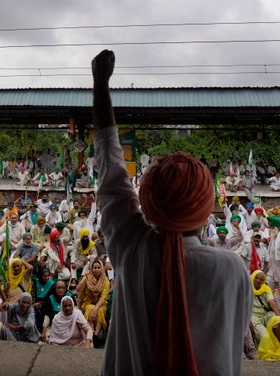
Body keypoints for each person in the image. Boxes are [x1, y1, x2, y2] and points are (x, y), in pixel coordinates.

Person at [92, 50, 250, 374]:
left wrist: (100, 84)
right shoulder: (232, 269)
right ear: (206, 209)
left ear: (148, 203)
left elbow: (110, 171)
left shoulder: (130, 248)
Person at [76, 259, 110, 337]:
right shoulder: (87, 277)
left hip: (101, 304)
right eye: (95, 268)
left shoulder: (106, 281)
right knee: (90, 308)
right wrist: (85, 278)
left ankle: (97, 334)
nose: (97, 270)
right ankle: (90, 332)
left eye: (99, 267)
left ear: (102, 268)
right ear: (91, 269)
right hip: (87, 303)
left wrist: (95, 309)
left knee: (100, 310)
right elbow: (78, 289)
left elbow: (103, 298)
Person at [250, 270, 280, 342]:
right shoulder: (247, 288)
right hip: (254, 316)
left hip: (265, 314)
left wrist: (279, 315)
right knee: (264, 335)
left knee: (278, 323)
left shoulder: (266, 288)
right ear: (253, 277)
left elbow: (272, 302)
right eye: (256, 278)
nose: (258, 280)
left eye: (261, 279)